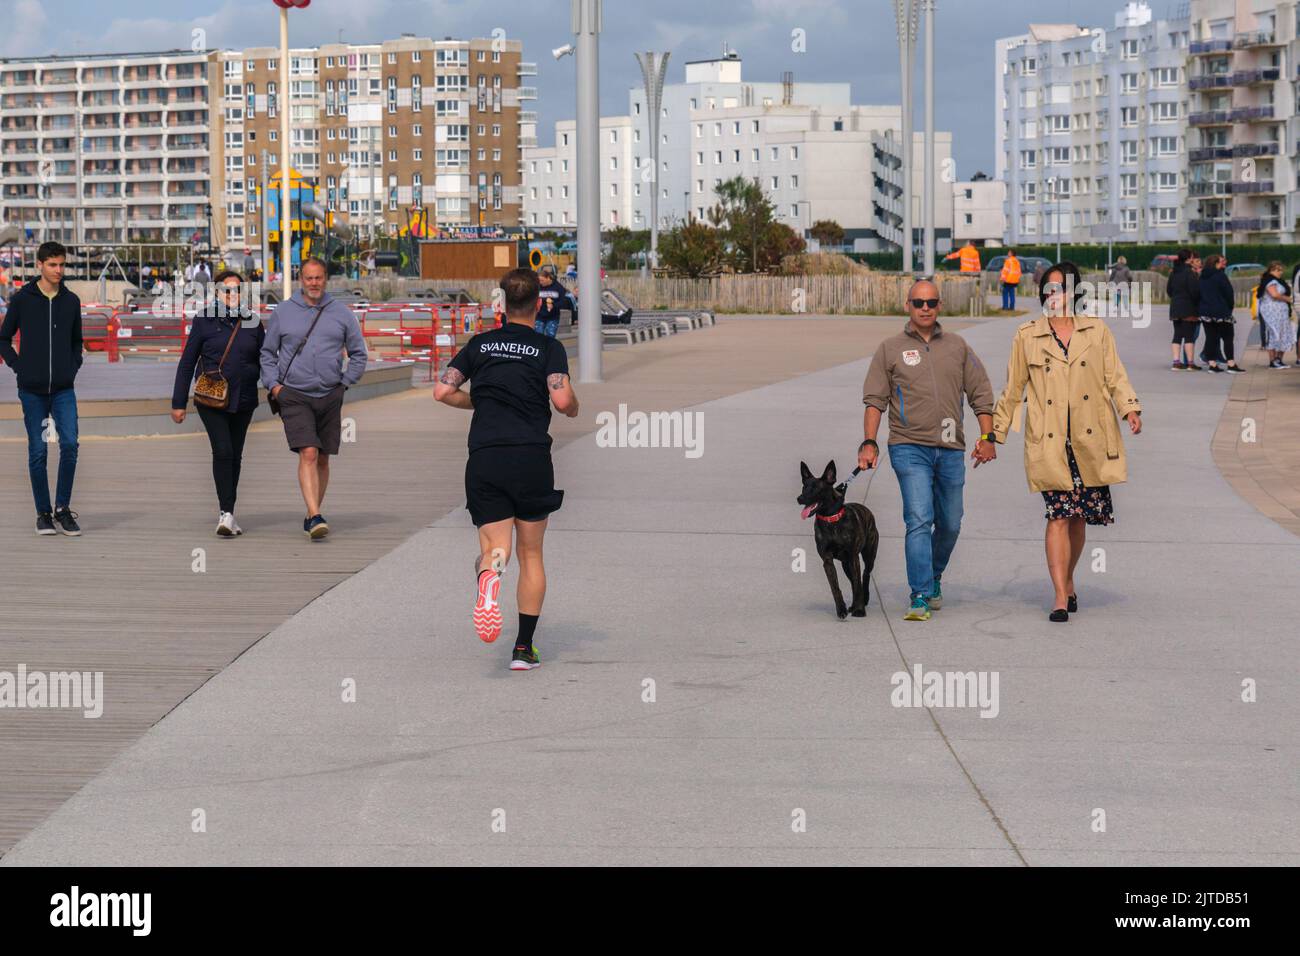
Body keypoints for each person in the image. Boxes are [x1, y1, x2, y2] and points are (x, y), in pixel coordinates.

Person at [434, 268, 579, 670]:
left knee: (497, 548)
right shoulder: (548, 347)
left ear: (501, 305)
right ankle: (523, 650)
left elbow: (443, 390)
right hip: (531, 456)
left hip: (486, 455)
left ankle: (491, 571)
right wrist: (574, 405)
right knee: (531, 554)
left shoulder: (479, 345)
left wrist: (478, 403)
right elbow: (563, 400)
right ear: (537, 303)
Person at [990, 262, 1142, 622]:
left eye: (1059, 288)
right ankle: (1060, 595)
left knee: (1079, 520)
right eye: (1048, 289)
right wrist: (993, 435)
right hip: (1049, 440)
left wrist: (1129, 409)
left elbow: (1115, 375)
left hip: (1089, 438)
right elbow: (1012, 389)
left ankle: (1069, 577)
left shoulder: (1097, 331)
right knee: (1058, 515)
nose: (1053, 295)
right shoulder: (1027, 335)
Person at [860, 278, 996, 622]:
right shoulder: (889, 348)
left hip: (951, 448)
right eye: (918, 302)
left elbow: (980, 393)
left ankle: (933, 575)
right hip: (908, 447)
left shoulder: (958, 346)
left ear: (939, 307)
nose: (925, 308)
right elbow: (875, 399)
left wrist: (988, 438)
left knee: (950, 522)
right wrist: (870, 441)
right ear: (907, 305)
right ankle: (919, 594)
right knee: (919, 519)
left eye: (931, 303)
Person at [260, 256, 367, 539]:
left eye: (318, 278)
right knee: (308, 451)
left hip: (330, 393)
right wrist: (274, 386)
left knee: (322, 458)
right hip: (293, 393)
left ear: (325, 279)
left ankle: (311, 514)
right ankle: (316, 514)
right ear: (301, 280)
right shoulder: (283, 312)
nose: (314, 283)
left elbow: (358, 354)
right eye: (309, 278)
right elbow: (267, 354)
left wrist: (344, 383)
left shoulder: (342, 313)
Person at [172, 270, 266, 536]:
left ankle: (229, 512)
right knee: (223, 451)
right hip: (211, 398)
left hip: (244, 398)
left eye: (237, 290)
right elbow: (187, 362)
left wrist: (275, 389)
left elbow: (266, 358)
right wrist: (178, 402)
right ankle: (225, 512)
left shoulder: (252, 322)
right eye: (227, 290)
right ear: (216, 293)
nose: (232, 295)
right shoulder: (204, 321)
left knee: (235, 456)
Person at [0, 241, 83, 535]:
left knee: (70, 445)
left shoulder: (70, 301)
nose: (58, 270)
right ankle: (43, 513)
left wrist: (73, 365)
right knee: (38, 451)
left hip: (63, 388)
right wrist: (17, 365)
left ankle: (63, 509)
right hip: (32, 390)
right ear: (40, 265)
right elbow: (3, 338)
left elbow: (76, 341)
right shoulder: (22, 299)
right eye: (52, 264)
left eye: (61, 264)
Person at [1197, 255, 1242, 373]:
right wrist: (1229, 308)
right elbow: (1228, 293)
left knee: (1211, 338)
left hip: (1205, 312)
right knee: (1228, 338)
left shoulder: (1202, 276)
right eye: (1221, 262)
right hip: (1221, 312)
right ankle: (1231, 364)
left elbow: (1198, 293)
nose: (1223, 263)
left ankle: (1212, 364)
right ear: (1216, 263)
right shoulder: (1220, 276)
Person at [1167, 248, 1201, 370]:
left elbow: (1169, 290)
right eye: (1192, 257)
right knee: (1188, 336)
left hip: (1175, 307)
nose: (1193, 259)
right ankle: (1190, 363)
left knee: (1177, 335)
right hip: (1189, 308)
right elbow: (1195, 292)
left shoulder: (1174, 272)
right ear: (1188, 258)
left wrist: (1176, 298)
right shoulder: (1190, 273)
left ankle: (1176, 362)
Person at [1257, 261, 1294, 369]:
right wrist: (1289, 299)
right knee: (1274, 333)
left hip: (1282, 312)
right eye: (1278, 270)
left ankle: (1279, 360)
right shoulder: (1269, 280)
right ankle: (1272, 361)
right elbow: (1274, 294)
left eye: (1281, 270)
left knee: (1284, 333)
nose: (1280, 272)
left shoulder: (1278, 281)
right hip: (1272, 311)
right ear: (1271, 270)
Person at [535, 264, 574, 337]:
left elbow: (563, 302)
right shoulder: (537, 287)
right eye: (539, 280)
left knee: (550, 336)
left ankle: (549, 348)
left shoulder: (558, 288)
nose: (540, 282)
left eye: (542, 280)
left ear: (548, 278)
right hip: (539, 316)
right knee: (538, 336)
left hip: (553, 317)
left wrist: (554, 306)